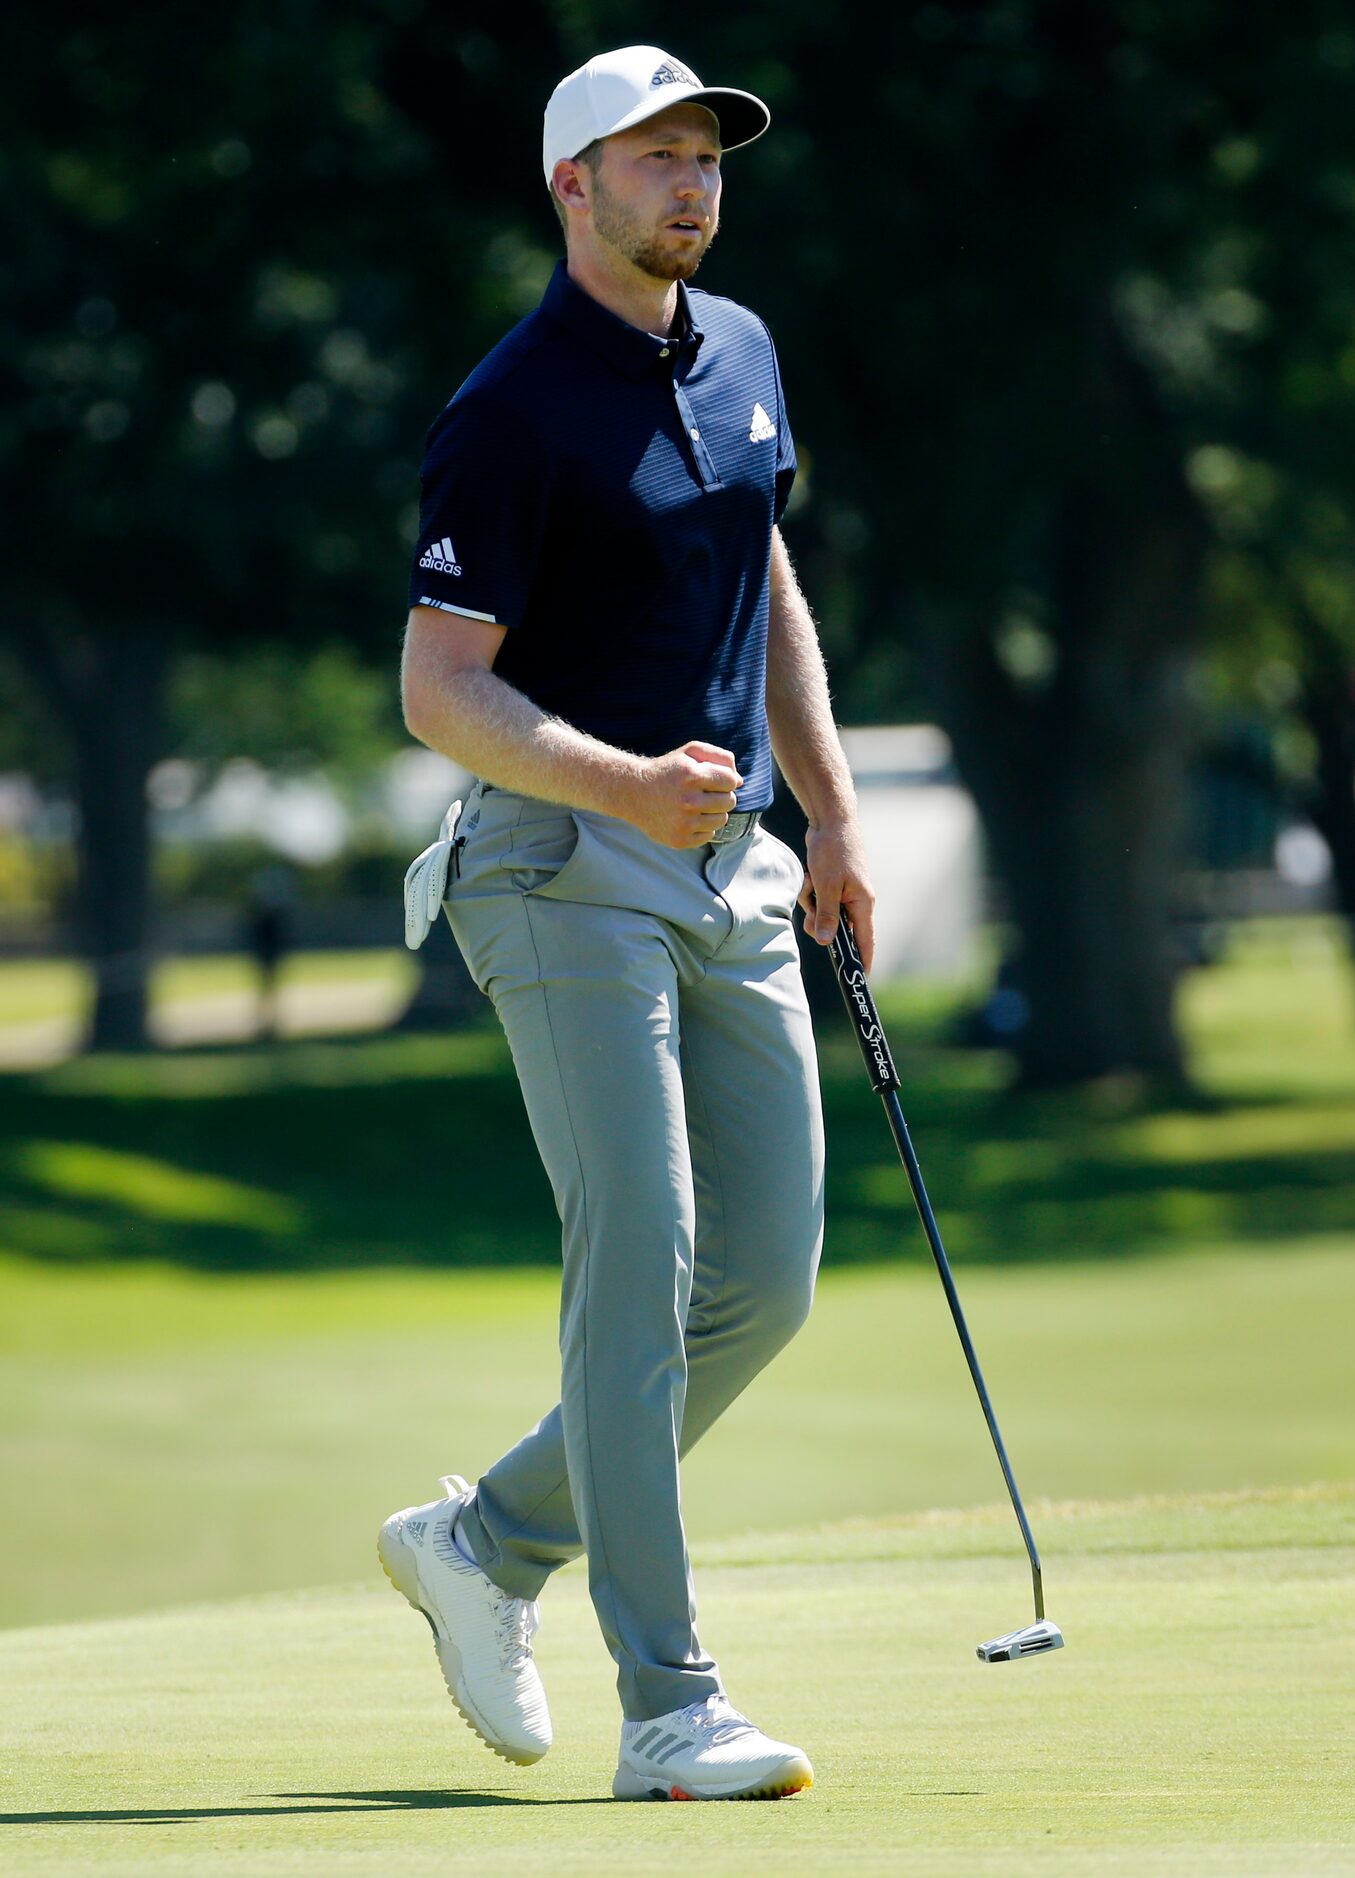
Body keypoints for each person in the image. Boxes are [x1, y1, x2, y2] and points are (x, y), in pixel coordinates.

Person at [378, 45, 874, 1804]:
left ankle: (489, 1538)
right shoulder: (508, 409)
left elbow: (768, 576)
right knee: (644, 1265)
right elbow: (443, 689)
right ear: (569, 187)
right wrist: (614, 782)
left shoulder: (740, 350)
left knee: (770, 1280)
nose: (690, 184)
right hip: (553, 867)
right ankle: (669, 1702)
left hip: (730, 868)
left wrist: (823, 810)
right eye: (650, 158)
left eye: (705, 158)